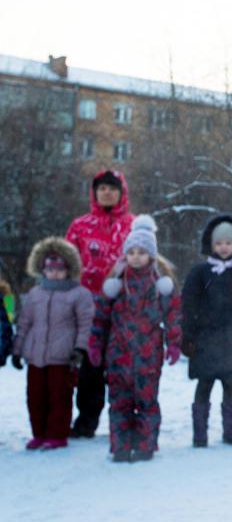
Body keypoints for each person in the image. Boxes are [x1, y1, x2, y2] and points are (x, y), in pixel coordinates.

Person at [88, 215, 181, 462]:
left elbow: (173, 314)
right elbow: (100, 316)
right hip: (119, 353)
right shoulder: (116, 283)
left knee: (147, 401)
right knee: (119, 402)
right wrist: (95, 344)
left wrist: (174, 343)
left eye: (142, 251)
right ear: (125, 254)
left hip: (148, 354)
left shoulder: (160, 284)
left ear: (151, 255)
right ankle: (120, 444)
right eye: (131, 251)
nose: (136, 256)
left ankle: (145, 444)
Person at [181, 215, 232, 448]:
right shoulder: (199, 273)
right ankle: (200, 433)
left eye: (228, 243)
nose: (224, 247)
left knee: (231, 386)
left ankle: (230, 430)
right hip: (205, 341)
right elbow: (188, 307)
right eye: (219, 243)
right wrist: (187, 337)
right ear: (211, 244)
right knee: (204, 386)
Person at [65, 169, 135, 438]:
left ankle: (124, 418)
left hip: (124, 310)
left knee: (123, 368)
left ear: (121, 192)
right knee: (90, 369)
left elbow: (147, 263)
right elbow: (68, 264)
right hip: (88, 310)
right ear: (95, 193)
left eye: (112, 188)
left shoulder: (134, 225)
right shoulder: (80, 225)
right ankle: (86, 420)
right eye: (102, 188)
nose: (107, 192)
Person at [12, 237, 94, 450]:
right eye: (50, 269)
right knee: (35, 396)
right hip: (36, 355)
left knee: (60, 396)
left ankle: (57, 434)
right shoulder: (35, 294)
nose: (54, 273)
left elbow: (85, 324)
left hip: (63, 355)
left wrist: (80, 348)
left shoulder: (78, 294)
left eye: (60, 269)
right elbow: (25, 323)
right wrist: (18, 350)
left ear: (69, 269)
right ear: (42, 270)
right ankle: (39, 432)